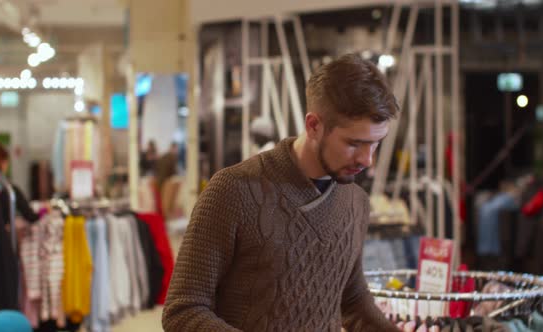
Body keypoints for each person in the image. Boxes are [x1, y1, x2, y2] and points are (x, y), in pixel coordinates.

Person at [162, 54, 400, 331]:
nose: (367, 159)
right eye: (354, 144)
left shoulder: (355, 202)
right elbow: (183, 310)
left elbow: (353, 300)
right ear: (313, 126)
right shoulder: (233, 191)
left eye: (375, 144)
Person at [0, 143, 39, 224]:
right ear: (3, 163)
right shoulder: (8, 189)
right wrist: (45, 210)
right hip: (0, 235)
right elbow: (31, 216)